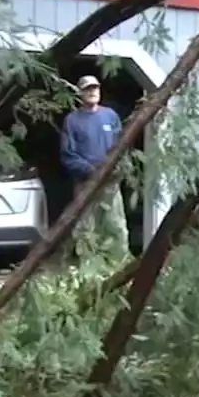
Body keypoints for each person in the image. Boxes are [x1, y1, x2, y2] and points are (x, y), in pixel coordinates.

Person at [60, 74, 128, 260]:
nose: (92, 92)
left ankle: (117, 265)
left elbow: (121, 146)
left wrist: (118, 168)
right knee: (86, 229)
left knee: (116, 226)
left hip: (111, 184)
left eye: (95, 88)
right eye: (87, 89)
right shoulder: (72, 120)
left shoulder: (110, 116)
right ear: (80, 93)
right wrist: (90, 171)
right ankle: (89, 270)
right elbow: (68, 155)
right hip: (86, 184)